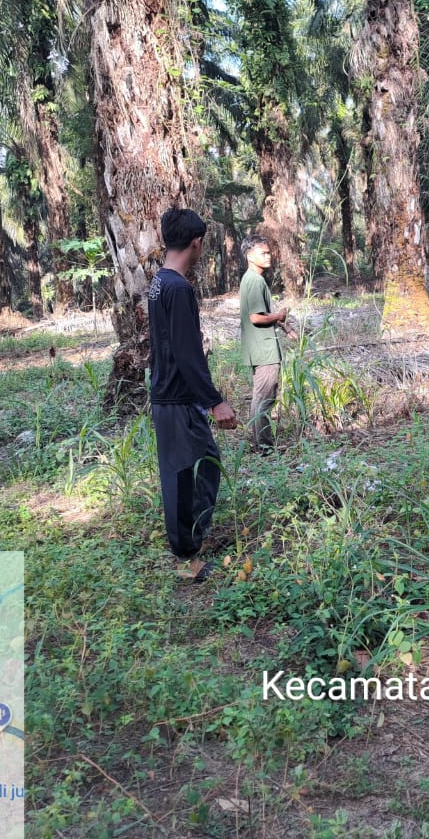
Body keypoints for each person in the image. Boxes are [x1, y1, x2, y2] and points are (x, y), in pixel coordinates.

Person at [149, 209, 238, 581]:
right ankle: (186, 556)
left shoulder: (159, 282)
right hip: (177, 399)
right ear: (197, 243)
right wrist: (214, 401)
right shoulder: (178, 288)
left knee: (198, 468)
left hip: (169, 395)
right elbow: (187, 352)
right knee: (187, 477)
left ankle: (191, 541)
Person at [238, 234, 291, 452]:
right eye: (263, 253)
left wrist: (285, 327)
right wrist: (279, 316)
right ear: (250, 256)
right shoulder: (254, 280)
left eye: (269, 253)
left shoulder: (252, 279)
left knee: (261, 397)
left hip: (259, 347)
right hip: (264, 349)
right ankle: (264, 448)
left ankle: (261, 444)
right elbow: (256, 317)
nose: (268, 256)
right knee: (264, 399)